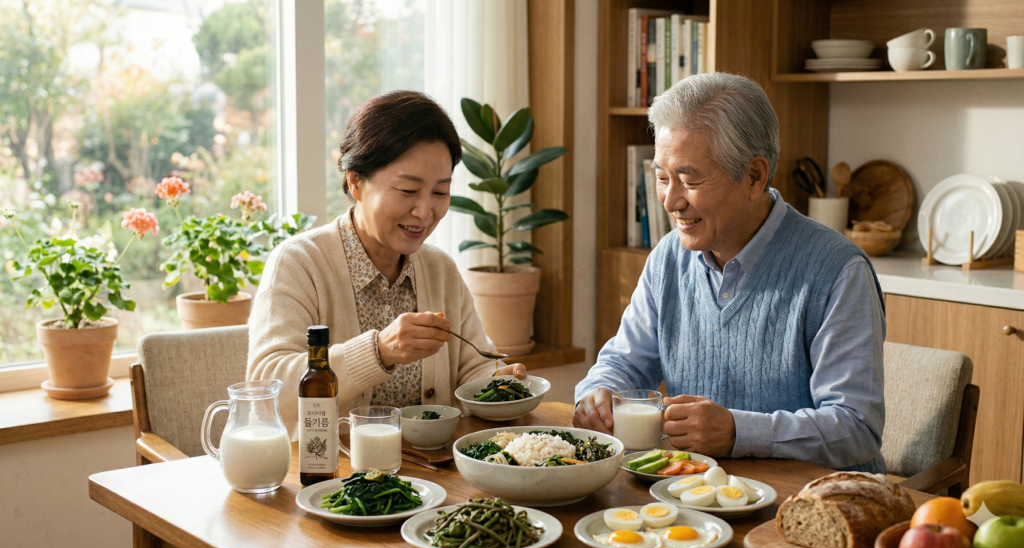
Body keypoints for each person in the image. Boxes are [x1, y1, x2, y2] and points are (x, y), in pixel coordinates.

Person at [574, 73, 887, 473]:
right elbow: (624, 362)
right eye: (662, 177)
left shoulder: (837, 271)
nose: (671, 200)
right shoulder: (668, 258)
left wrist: (739, 431)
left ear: (754, 176)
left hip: (814, 511)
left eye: (688, 179)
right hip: (700, 498)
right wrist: (597, 393)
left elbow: (856, 428)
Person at [248, 90, 525, 438]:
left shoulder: (439, 269)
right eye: (408, 191)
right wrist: (379, 351)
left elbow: (473, 367)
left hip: (433, 476)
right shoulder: (299, 264)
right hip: (334, 479)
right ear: (356, 182)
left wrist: (499, 383)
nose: (425, 212)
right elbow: (268, 392)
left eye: (440, 192)